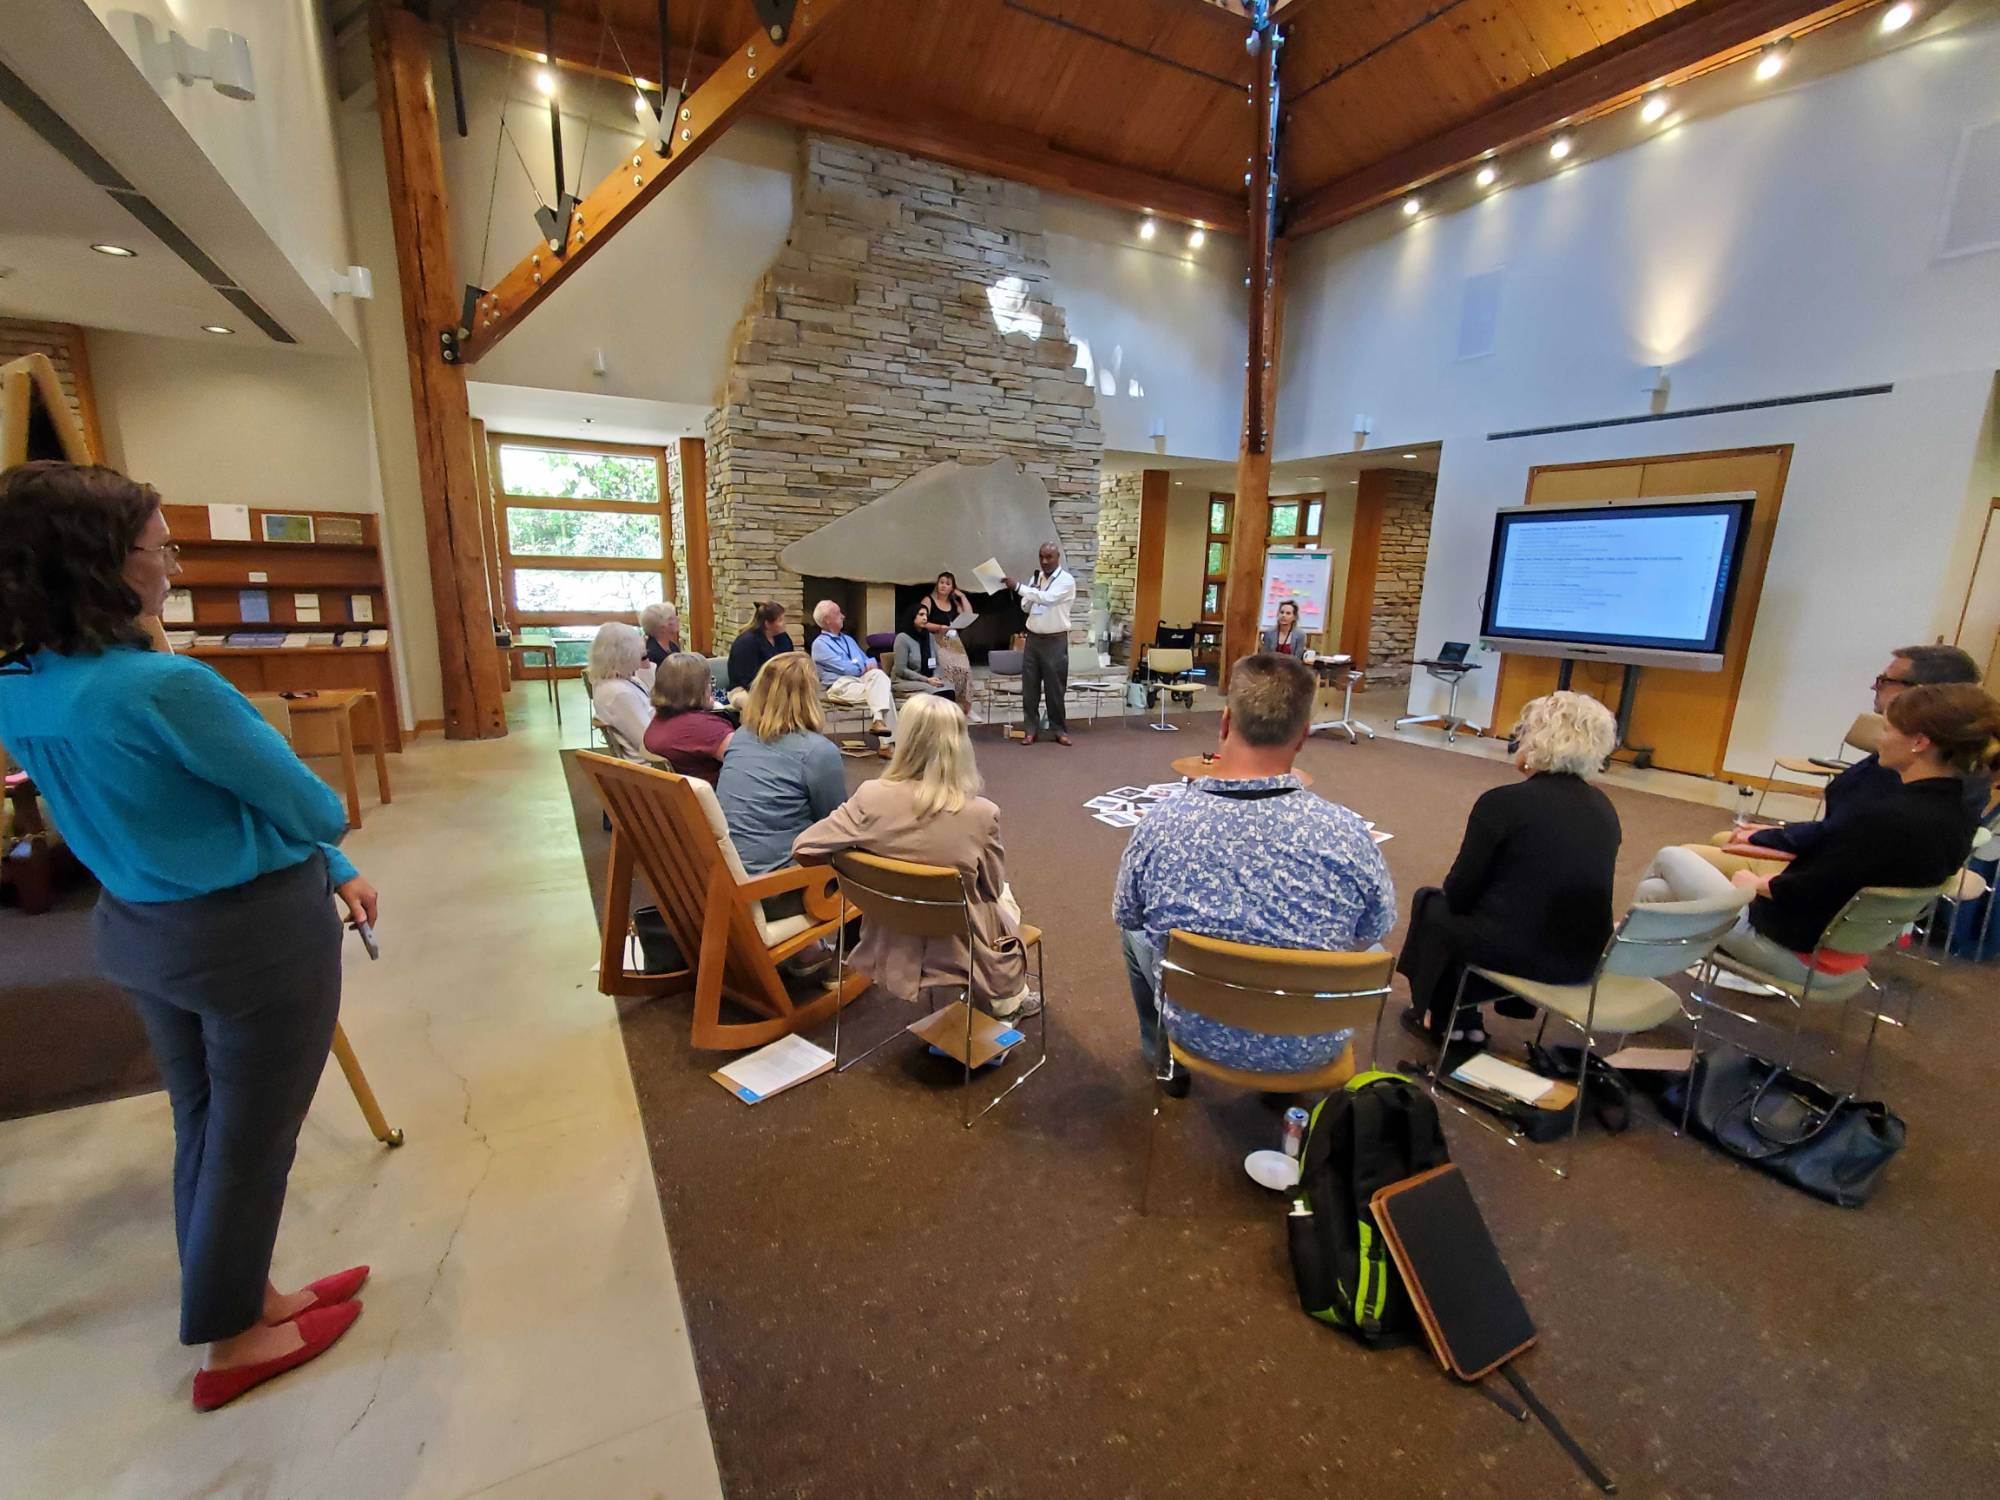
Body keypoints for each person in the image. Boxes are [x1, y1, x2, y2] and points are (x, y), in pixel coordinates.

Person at [0, 462, 374, 1411]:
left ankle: (240, 1296)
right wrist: (327, 841)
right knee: (255, 1140)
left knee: (206, 1125)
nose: (171, 564)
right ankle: (235, 1341)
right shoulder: (164, 687)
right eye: (158, 548)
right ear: (97, 564)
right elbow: (314, 806)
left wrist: (325, 862)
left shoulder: (22, 684)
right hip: (248, 938)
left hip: (143, 931)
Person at [1114, 653, 1395, 1092]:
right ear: (1302, 736)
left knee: (1134, 938)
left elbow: (1129, 915)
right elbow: (1371, 931)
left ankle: (1165, 1060)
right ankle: (1287, 1087)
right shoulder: (1349, 835)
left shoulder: (1161, 825)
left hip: (1195, 1028)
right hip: (1310, 1042)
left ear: (1224, 723)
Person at [1636, 683, 1998, 977]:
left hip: (1793, 947)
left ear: (1920, 742)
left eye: (1888, 730)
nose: (1881, 740)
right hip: (1845, 950)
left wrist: (1750, 882)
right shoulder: (1960, 812)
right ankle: (1628, 962)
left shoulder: (1885, 817)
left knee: (1671, 857)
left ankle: (1617, 965)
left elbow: (1804, 891)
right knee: (1657, 891)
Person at [1396, 692, 1622, 1049]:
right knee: (1478, 919)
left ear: (1536, 739)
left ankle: (1441, 1017)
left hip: (1520, 952)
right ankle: (1464, 1016)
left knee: (1433, 906)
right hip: (1581, 957)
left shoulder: (1503, 803)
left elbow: (1459, 891)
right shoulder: (1604, 808)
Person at [793, 695, 1038, 1020]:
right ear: (959, 744)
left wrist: (858, 867)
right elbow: (990, 889)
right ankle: (1008, 1002)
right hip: (960, 946)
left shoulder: (870, 797)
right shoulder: (981, 814)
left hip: (890, 935)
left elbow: (805, 848)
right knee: (1005, 896)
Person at [1703, 644, 1988, 875]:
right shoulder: (1955, 770)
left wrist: (1767, 846)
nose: (1874, 686)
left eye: (1885, 680)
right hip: (1849, 879)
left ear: (1922, 692)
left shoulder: (1906, 777)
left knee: (1684, 860)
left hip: (1823, 889)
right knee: (1720, 844)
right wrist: (1779, 832)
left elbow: (1842, 840)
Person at [716, 652, 848, 882]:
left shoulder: (740, 736)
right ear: (810, 696)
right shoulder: (817, 752)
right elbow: (837, 826)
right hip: (779, 886)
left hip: (728, 878)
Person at [1004, 541, 1075, 746]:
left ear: (1057, 557)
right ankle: (1030, 730)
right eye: (1041, 557)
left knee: (1055, 689)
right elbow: (1026, 607)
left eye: (1048, 557)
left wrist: (1019, 587)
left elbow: (1049, 599)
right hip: (1033, 640)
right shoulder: (1036, 579)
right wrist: (1029, 591)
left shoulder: (1066, 580)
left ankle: (1059, 730)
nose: (1044, 561)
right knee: (1030, 688)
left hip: (1055, 640)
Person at [809, 599, 899, 742]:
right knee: (883, 692)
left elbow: (870, 660)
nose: (843, 616)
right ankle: (887, 744)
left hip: (861, 682)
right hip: (839, 686)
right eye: (838, 613)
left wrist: (862, 664)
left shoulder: (848, 639)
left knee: (878, 675)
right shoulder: (819, 645)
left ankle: (878, 722)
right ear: (827, 620)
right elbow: (847, 669)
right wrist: (860, 665)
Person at [645, 651, 735, 783]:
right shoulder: (702, 728)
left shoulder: (660, 718)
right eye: (709, 682)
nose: (711, 687)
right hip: (716, 798)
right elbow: (746, 760)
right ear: (698, 688)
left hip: (683, 797)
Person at [587, 621, 656, 761]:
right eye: (640, 651)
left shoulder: (618, 681)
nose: (644, 653)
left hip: (653, 750)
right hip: (652, 765)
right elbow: (649, 742)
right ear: (627, 654)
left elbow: (653, 691)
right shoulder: (620, 694)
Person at [910, 570, 975, 708]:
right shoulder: (928, 600)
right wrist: (939, 627)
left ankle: (965, 705)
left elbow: (968, 616)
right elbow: (922, 622)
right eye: (941, 582)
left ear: (952, 587)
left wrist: (962, 596)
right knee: (948, 668)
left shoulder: (954, 602)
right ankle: (949, 703)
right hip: (935, 639)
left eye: (947, 583)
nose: (943, 586)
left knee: (965, 669)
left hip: (952, 640)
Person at [727, 601, 794, 694]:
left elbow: (790, 664)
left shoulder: (783, 638)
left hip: (777, 688)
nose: (784, 623)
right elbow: (747, 679)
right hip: (746, 691)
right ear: (767, 624)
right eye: (780, 620)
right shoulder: (746, 642)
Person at [640, 601, 682, 666]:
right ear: (662, 627)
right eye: (671, 618)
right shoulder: (650, 653)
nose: (678, 619)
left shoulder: (673, 646)